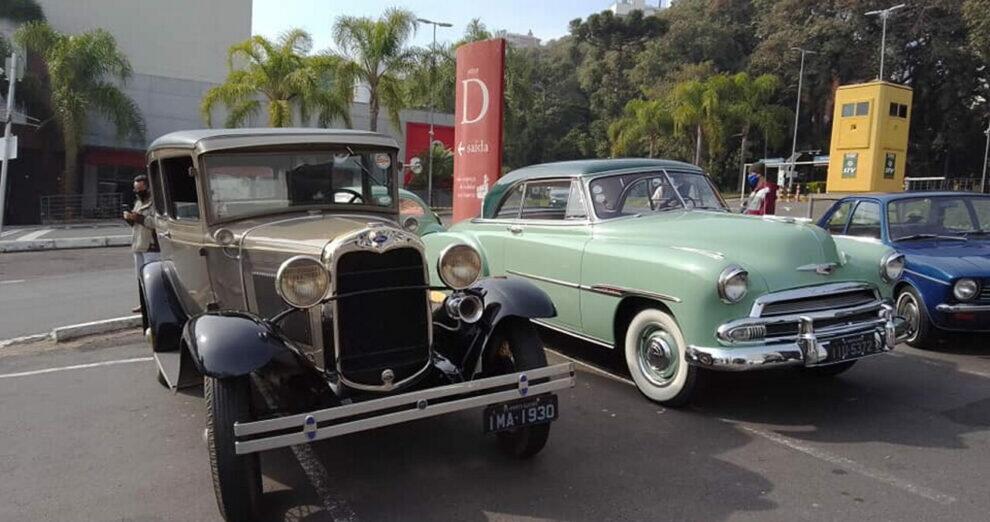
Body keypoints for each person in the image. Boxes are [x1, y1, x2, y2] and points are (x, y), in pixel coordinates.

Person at [123, 174, 159, 313]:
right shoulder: (138, 202)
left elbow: (156, 223)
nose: (137, 192)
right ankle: (143, 304)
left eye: (140, 188)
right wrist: (130, 218)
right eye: (135, 189)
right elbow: (137, 224)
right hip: (138, 244)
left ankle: (153, 304)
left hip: (151, 247)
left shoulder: (155, 203)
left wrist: (138, 217)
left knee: (152, 278)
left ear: (147, 187)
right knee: (140, 277)